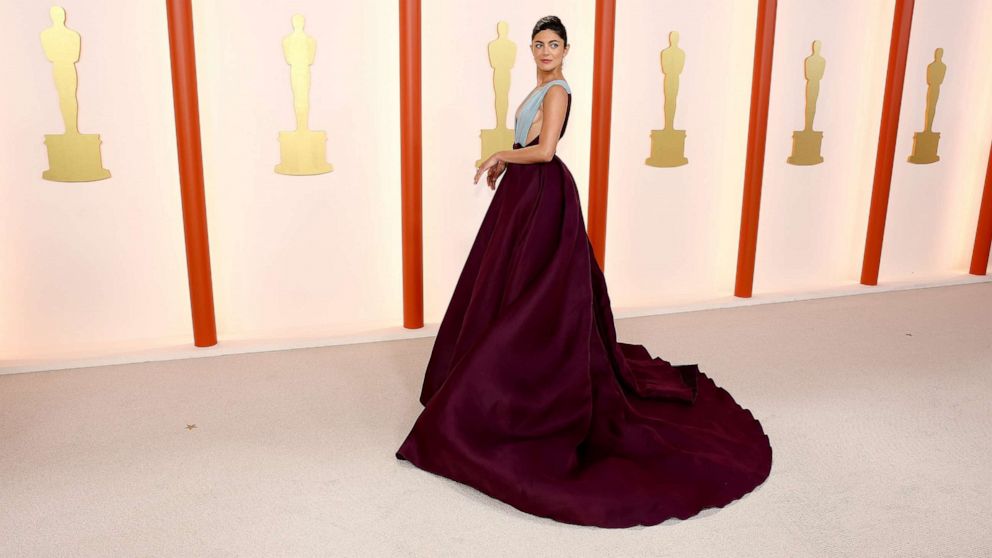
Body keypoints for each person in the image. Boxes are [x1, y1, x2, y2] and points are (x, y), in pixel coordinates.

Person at [395, 15, 772, 528]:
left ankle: (511, 386)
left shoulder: (558, 93)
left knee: (535, 298)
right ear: (531, 49)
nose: (545, 50)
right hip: (525, 193)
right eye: (538, 44)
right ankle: (495, 380)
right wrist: (511, 162)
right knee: (508, 290)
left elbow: (546, 151)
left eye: (553, 44)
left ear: (566, 49)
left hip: (544, 195)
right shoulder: (541, 86)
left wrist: (501, 153)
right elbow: (534, 145)